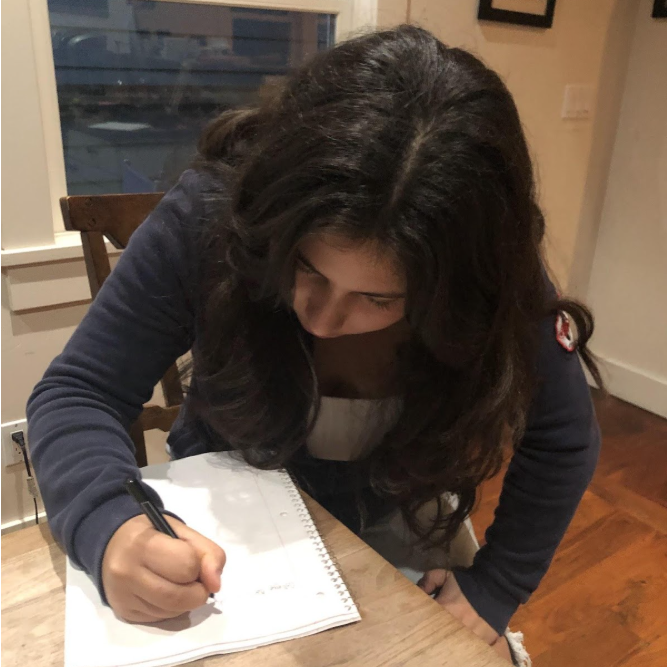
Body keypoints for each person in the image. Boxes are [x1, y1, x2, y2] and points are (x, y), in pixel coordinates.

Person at [27, 25, 601, 665]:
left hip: (404, 532)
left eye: (378, 298)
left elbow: (563, 440)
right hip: (222, 530)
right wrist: (109, 522)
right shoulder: (209, 216)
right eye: (306, 267)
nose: (324, 321)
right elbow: (78, 393)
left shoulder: (494, 279)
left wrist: (497, 586)